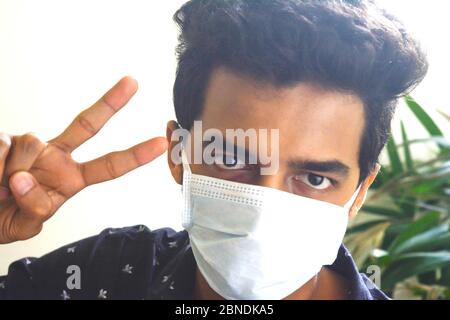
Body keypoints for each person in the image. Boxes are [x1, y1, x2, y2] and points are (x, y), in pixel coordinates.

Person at [0, 0, 427, 300]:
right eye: (231, 159)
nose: (263, 209)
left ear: (359, 192)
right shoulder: (100, 274)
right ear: (179, 156)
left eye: (315, 178)